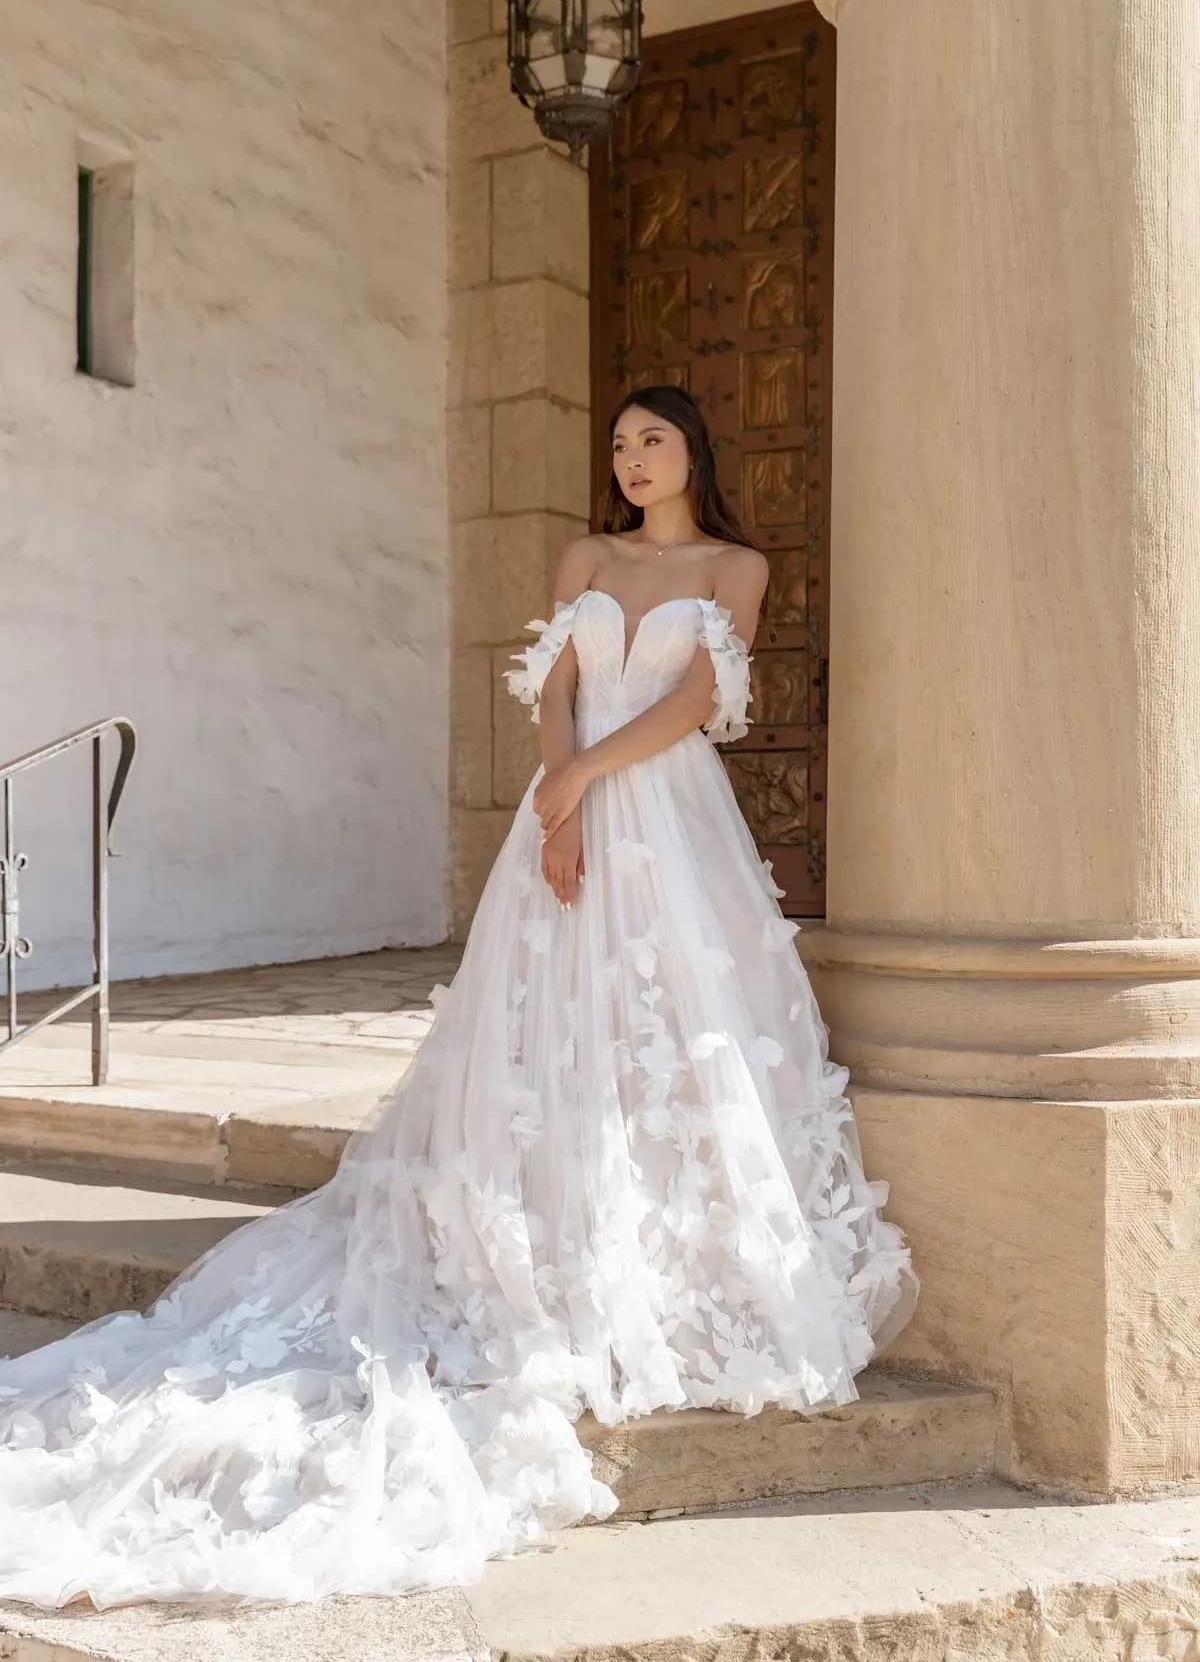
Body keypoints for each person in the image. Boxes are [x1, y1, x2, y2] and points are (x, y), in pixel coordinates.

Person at [0, 385, 916, 1611]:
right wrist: (556, 797)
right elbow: (549, 685)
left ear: (696, 450)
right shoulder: (585, 554)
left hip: (671, 823)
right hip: (567, 812)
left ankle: (662, 1267)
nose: (631, 459)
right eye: (619, 444)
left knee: (670, 1034)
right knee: (536, 1038)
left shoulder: (736, 566)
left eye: (653, 440)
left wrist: (586, 778)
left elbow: (697, 703)